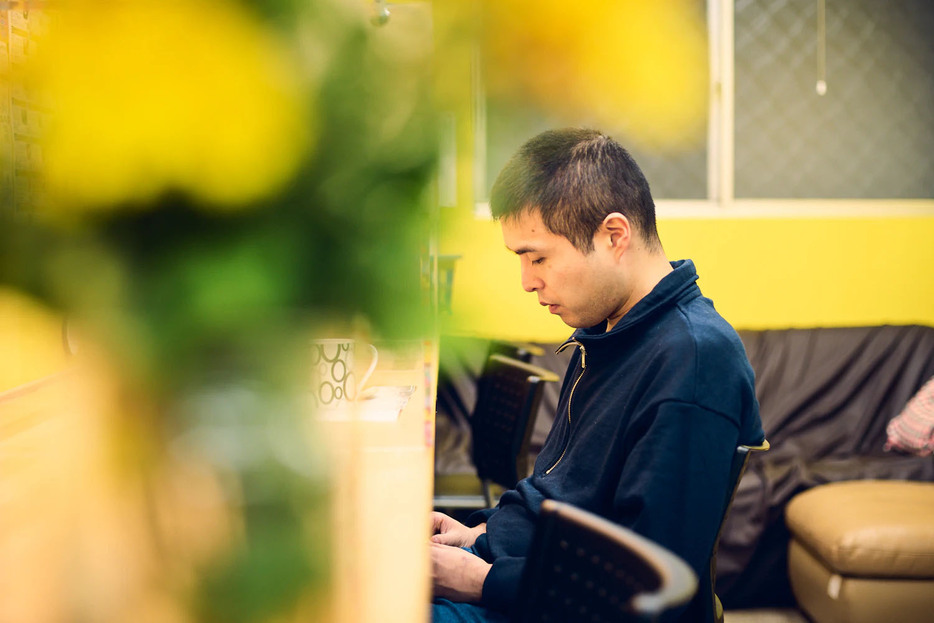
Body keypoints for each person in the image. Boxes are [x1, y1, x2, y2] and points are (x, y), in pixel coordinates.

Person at [430, 128, 764, 623]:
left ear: (613, 236)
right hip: (527, 579)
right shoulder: (606, 332)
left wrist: (479, 581)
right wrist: (479, 536)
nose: (527, 282)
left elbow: (652, 588)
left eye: (538, 257)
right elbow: (567, 496)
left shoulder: (692, 361)